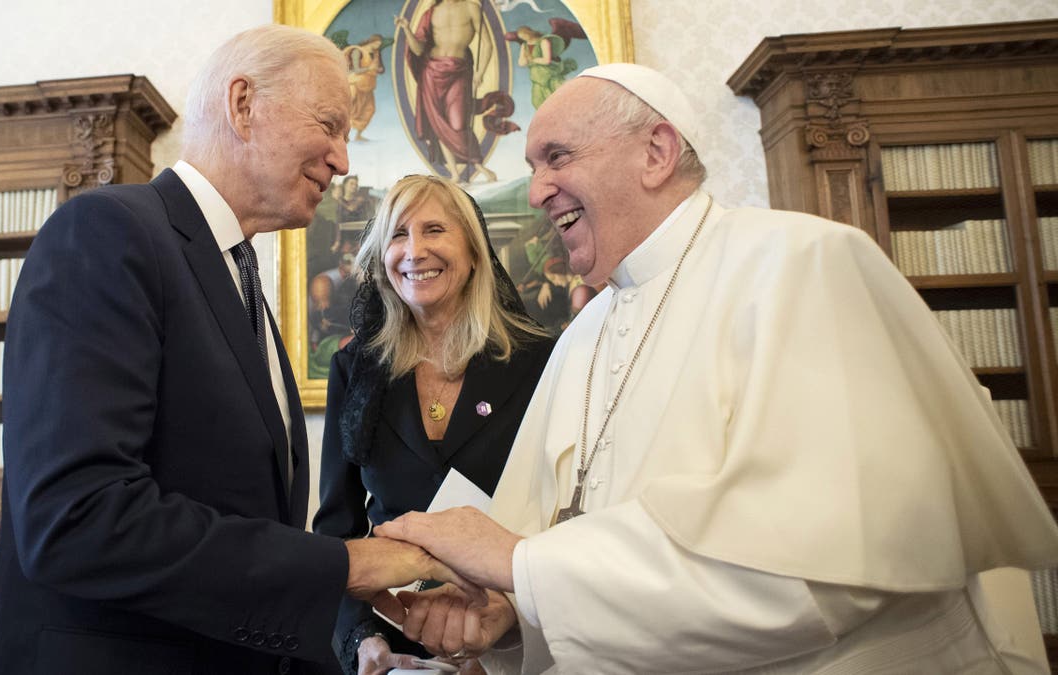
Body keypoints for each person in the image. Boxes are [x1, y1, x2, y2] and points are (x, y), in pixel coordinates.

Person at [375, 63, 1058, 673]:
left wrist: (522, 566)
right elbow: (570, 544)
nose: (537, 191)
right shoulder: (582, 335)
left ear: (656, 151)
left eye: (557, 157)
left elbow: (818, 571)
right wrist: (515, 615)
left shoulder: (802, 264)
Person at [0, 25, 478, 675]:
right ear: (243, 105)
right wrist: (348, 562)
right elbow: (77, 518)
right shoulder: (108, 233)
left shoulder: (238, 282)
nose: (343, 160)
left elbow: (237, 544)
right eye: (329, 124)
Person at [313, 175, 555, 675]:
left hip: (515, 637)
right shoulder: (355, 369)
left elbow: (562, 515)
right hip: (396, 649)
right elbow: (337, 529)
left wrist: (508, 622)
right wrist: (361, 640)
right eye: (398, 234)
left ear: (473, 253)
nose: (414, 251)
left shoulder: (542, 361)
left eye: (434, 230)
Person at [395, 0, 511, 183]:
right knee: (438, 123)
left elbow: (487, 44)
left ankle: (478, 165)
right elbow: (417, 49)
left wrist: (480, 72)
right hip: (431, 72)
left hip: (458, 71)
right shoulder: (431, 12)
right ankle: (455, 174)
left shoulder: (471, 8)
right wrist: (407, 29)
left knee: (458, 123)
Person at [342, 34, 386, 141]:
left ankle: (358, 135)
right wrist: (369, 68)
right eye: (376, 44)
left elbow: (380, 69)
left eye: (379, 45)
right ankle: (343, 134)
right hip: (355, 83)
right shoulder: (358, 51)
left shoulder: (375, 54)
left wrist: (378, 69)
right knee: (349, 108)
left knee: (369, 109)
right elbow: (356, 70)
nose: (377, 46)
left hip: (367, 86)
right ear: (371, 41)